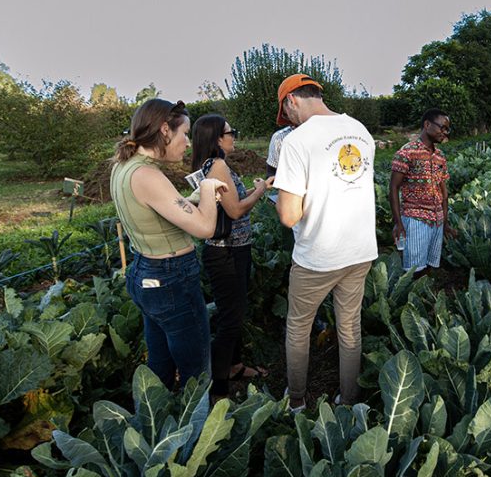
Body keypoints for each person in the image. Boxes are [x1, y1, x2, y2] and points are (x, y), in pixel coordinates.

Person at [272, 73, 378, 411]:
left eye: (285, 113)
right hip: (359, 250)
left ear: (292, 100)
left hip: (318, 255)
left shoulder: (297, 141)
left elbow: (289, 216)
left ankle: (298, 401)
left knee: (299, 327)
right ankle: (348, 400)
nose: (288, 120)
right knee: (349, 326)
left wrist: (277, 195)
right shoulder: (359, 130)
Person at [110, 99, 227, 390]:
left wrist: (194, 200)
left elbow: (160, 209)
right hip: (172, 278)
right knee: (196, 370)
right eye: (184, 133)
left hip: (146, 273)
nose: (188, 142)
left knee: (160, 361)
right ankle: (195, 429)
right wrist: (208, 189)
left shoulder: (124, 166)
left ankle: (155, 420)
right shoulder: (149, 175)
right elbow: (204, 228)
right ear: (165, 130)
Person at [190, 114, 275, 400]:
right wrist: (261, 190)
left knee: (234, 313)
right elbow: (237, 211)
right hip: (226, 252)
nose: (234, 136)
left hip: (233, 248)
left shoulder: (213, 165)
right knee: (230, 319)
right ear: (217, 138)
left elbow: (232, 202)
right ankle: (219, 388)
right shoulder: (218, 165)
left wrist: (258, 188)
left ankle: (235, 366)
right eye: (231, 132)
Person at [389, 109, 455, 277]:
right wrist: (398, 223)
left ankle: (424, 299)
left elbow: (443, 191)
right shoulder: (406, 153)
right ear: (427, 125)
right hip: (416, 219)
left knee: (430, 266)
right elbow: (393, 188)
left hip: (437, 219)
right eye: (442, 128)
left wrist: (445, 222)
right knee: (414, 270)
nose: (445, 133)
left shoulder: (440, 156)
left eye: (447, 129)